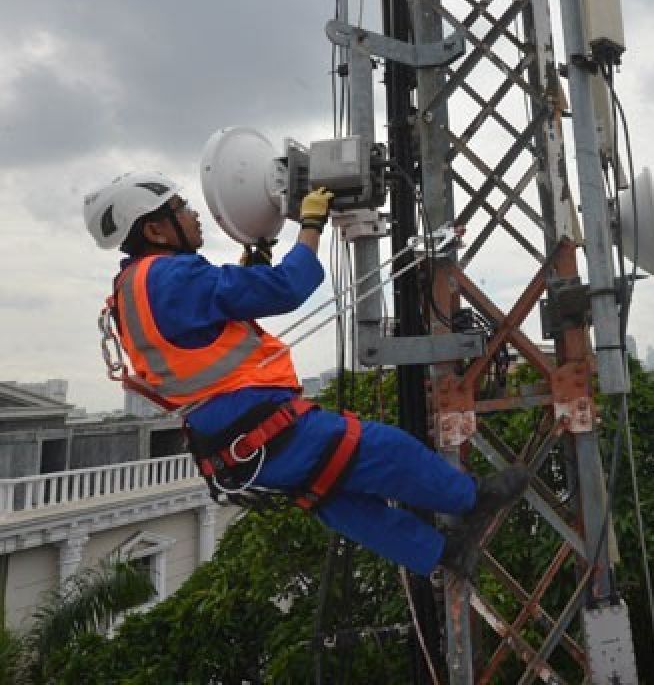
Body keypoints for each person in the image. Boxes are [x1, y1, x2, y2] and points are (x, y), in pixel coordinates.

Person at [83, 171, 526, 576]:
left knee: (331, 492)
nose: (194, 213)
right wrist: (310, 225)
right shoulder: (172, 276)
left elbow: (206, 325)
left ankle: (441, 554)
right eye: (181, 208)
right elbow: (285, 289)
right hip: (252, 422)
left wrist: (254, 262)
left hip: (227, 441)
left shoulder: (132, 289)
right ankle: (473, 498)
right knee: (381, 449)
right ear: (155, 230)